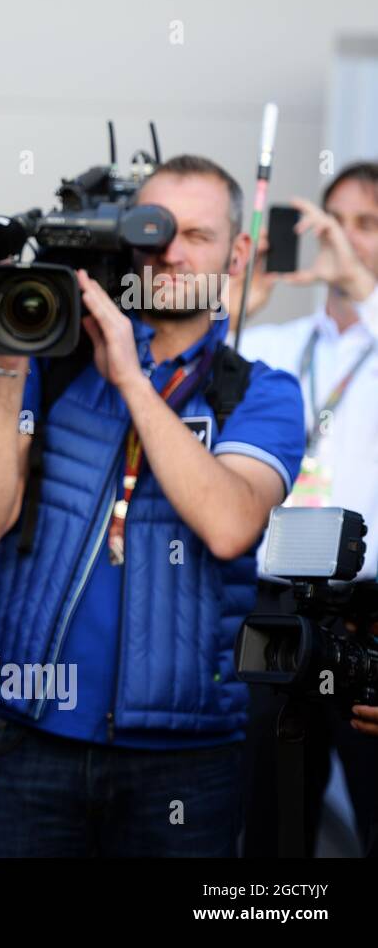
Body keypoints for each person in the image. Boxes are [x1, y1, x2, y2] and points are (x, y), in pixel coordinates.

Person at [0, 154, 306, 856]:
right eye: (152, 233)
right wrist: (11, 360)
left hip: (188, 757)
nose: (170, 253)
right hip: (32, 737)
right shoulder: (53, 365)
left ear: (237, 252)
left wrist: (133, 379)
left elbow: (231, 524)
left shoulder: (260, 392)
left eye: (195, 235)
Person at [236, 161, 378, 856]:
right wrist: (244, 299)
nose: (343, 240)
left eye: (368, 225)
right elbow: (187, 382)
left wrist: (363, 288)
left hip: (370, 612)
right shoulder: (275, 345)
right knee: (272, 817)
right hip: (277, 606)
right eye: (336, 222)